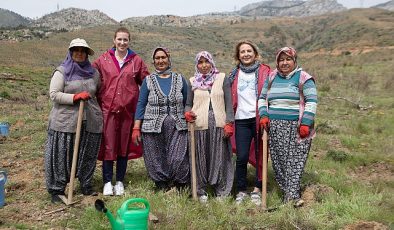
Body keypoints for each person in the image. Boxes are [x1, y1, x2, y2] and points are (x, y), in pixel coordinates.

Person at [44, 38, 103, 203]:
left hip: (90, 120)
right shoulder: (61, 72)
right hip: (65, 121)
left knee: (87, 154)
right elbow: (54, 94)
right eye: (76, 50)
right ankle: (57, 189)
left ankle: (85, 184)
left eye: (83, 51)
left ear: (86, 54)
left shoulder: (94, 73)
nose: (79, 53)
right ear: (71, 52)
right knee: (62, 155)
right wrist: (75, 97)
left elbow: (96, 91)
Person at [93, 27, 150, 196]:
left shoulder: (136, 61)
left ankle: (119, 181)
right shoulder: (103, 60)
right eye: (119, 39)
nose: (122, 43)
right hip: (108, 110)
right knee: (109, 146)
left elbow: (146, 82)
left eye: (125, 40)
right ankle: (106, 182)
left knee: (124, 146)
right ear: (114, 40)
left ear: (129, 41)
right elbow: (90, 75)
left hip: (128, 111)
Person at [258, 47, 317, 207]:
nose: (284, 63)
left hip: (298, 128)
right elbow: (262, 98)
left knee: (295, 162)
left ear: (294, 61)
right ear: (277, 62)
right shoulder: (271, 77)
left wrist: (305, 122)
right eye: (281, 60)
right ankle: (290, 194)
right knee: (280, 162)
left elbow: (312, 101)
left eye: (288, 59)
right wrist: (263, 115)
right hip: (275, 127)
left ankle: (292, 197)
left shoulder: (304, 78)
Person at [132, 47, 190, 191]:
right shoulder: (148, 80)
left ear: (168, 59)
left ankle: (180, 185)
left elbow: (188, 101)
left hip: (178, 125)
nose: (160, 61)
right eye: (157, 58)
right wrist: (136, 127)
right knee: (155, 156)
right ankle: (161, 185)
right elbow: (141, 103)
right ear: (153, 61)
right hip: (152, 126)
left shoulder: (179, 79)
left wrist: (189, 113)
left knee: (178, 157)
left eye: (163, 57)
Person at [184, 51, 235, 203]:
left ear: (212, 62)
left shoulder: (222, 78)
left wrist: (229, 123)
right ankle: (201, 191)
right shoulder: (192, 81)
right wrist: (187, 113)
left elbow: (229, 103)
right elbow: (188, 104)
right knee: (200, 158)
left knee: (220, 157)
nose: (204, 65)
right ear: (197, 65)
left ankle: (221, 190)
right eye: (200, 62)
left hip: (219, 125)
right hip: (199, 125)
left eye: (207, 61)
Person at [228, 40, 271, 205]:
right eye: (242, 52)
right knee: (242, 156)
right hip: (241, 120)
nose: (246, 54)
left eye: (249, 51)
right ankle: (241, 189)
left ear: (255, 53)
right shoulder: (234, 74)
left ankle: (258, 188)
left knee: (261, 154)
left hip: (260, 119)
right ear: (238, 56)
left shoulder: (265, 72)